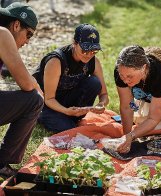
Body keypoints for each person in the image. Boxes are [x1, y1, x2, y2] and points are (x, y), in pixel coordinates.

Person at [33, 23, 109, 133]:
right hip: (46, 103)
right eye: (85, 50)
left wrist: (101, 104)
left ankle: (71, 118)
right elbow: (49, 99)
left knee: (94, 82)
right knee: (69, 129)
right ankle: (42, 117)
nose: (89, 55)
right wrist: (66, 111)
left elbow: (104, 95)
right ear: (74, 43)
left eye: (94, 51)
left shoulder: (94, 61)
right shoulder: (56, 61)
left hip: (67, 101)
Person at [0, 2, 43, 178]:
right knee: (34, 100)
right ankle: (2, 161)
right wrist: (38, 87)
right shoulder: (3, 33)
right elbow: (25, 83)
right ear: (16, 24)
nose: (27, 42)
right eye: (29, 35)